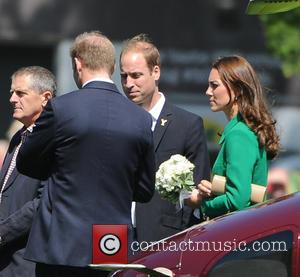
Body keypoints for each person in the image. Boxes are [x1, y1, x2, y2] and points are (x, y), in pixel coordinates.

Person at [16, 31, 155, 276]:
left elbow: (26, 162)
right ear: (112, 67)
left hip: (61, 242)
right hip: (111, 243)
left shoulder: (61, 109)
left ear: (78, 63)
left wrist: (59, 170)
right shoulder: (141, 119)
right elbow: (144, 190)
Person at [120, 34, 210, 243]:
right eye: (124, 76)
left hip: (165, 238)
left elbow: (197, 189)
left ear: (156, 72)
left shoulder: (187, 125)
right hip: (114, 236)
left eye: (136, 75)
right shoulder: (114, 122)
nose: (128, 83)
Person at [188, 55, 280, 218]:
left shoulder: (239, 134)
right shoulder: (241, 130)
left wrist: (201, 204)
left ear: (237, 90)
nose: (208, 92)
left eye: (214, 85)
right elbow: (242, 190)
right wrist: (213, 189)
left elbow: (237, 200)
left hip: (239, 234)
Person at [0, 66, 56, 277]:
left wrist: (2, 233)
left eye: (21, 93)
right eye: (12, 93)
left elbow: (44, 201)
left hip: (28, 262)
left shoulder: (55, 140)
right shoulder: (18, 137)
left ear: (45, 98)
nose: (13, 99)